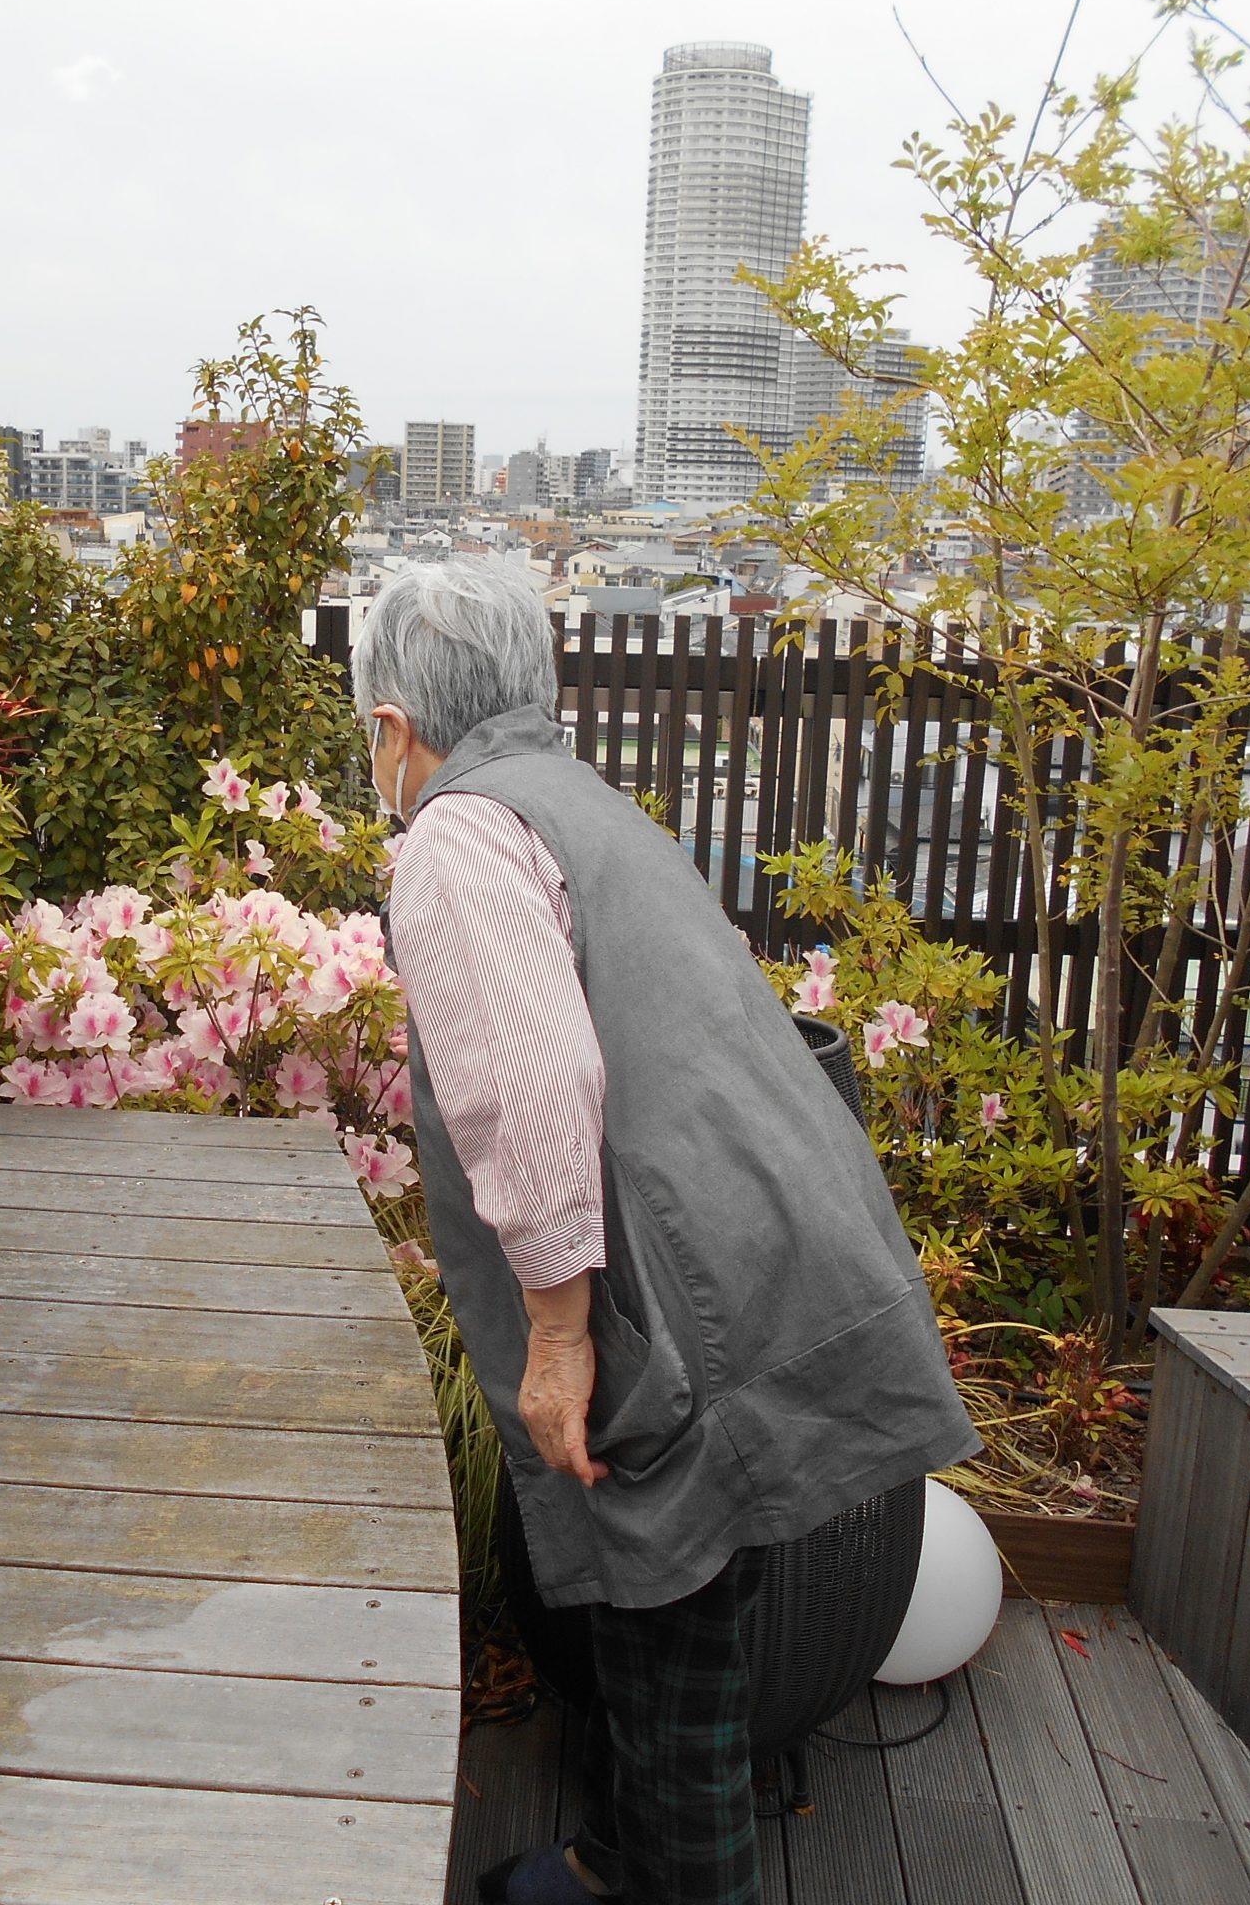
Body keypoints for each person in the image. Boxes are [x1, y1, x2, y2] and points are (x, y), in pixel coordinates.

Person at [354, 560, 979, 1905]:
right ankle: (616, 1861)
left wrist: (560, 1337)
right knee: (697, 1628)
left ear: (395, 727)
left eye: (370, 737)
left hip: (665, 1303)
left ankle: (660, 1872)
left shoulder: (457, 840)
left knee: (670, 1652)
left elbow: (529, 1087)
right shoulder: (578, 797)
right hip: (763, 1247)